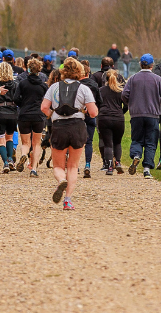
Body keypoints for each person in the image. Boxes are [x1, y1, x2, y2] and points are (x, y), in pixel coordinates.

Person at [40, 57, 99, 209]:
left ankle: (61, 181)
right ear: (79, 72)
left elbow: (44, 108)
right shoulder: (84, 89)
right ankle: (68, 201)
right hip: (77, 126)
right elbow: (93, 112)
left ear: (62, 72)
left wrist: (52, 114)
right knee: (73, 166)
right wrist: (84, 110)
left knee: (58, 166)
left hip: (59, 127)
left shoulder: (54, 88)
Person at [121, 54, 161, 179]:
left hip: (136, 114)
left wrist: (131, 103)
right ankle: (147, 169)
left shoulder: (133, 79)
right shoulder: (157, 79)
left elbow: (124, 95)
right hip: (152, 115)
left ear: (140, 64)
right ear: (152, 65)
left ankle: (136, 155)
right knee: (151, 142)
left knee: (137, 139)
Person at [14, 58, 48, 176]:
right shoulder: (43, 86)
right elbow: (46, 101)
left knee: (25, 143)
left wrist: (23, 104)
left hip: (24, 114)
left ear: (28, 68)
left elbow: (15, 98)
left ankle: (24, 154)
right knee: (36, 143)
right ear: (39, 69)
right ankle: (34, 168)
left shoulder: (23, 84)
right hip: (38, 115)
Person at [98, 68, 127, 175]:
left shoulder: (101, 90)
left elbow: (97, 104)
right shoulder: (120, 91)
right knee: (117, 142)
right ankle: (118, 162)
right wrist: (121, 112)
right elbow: (127, 105)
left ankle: (110, 166)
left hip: (104, 118)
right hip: (118, 118)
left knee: (108, 144)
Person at [0, 62, 20, 172]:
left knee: (0, 139)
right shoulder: (15, 84)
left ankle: (5, 163)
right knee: (9, 137)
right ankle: (10, 159)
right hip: (12, 112)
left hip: (0, 112)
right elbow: (18, 99)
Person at [78, 61, 102, 176]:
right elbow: (100, 101)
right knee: (89, 142)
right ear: (88, 73)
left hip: (79, 116)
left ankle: (75, 165)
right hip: (91, 115)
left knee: (76, 141)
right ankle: (87, 164)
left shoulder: (77, 85)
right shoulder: (94, 84)